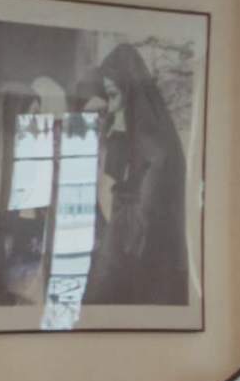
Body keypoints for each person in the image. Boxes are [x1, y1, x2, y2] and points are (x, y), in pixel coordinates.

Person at [81, 39, 191, 309]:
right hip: (120, 248)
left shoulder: (158, 150)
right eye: (108, 97)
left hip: (142, 262)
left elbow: (142, 221)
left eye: (115, 95)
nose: (111, 106)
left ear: (131, 93)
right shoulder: (123, 137)